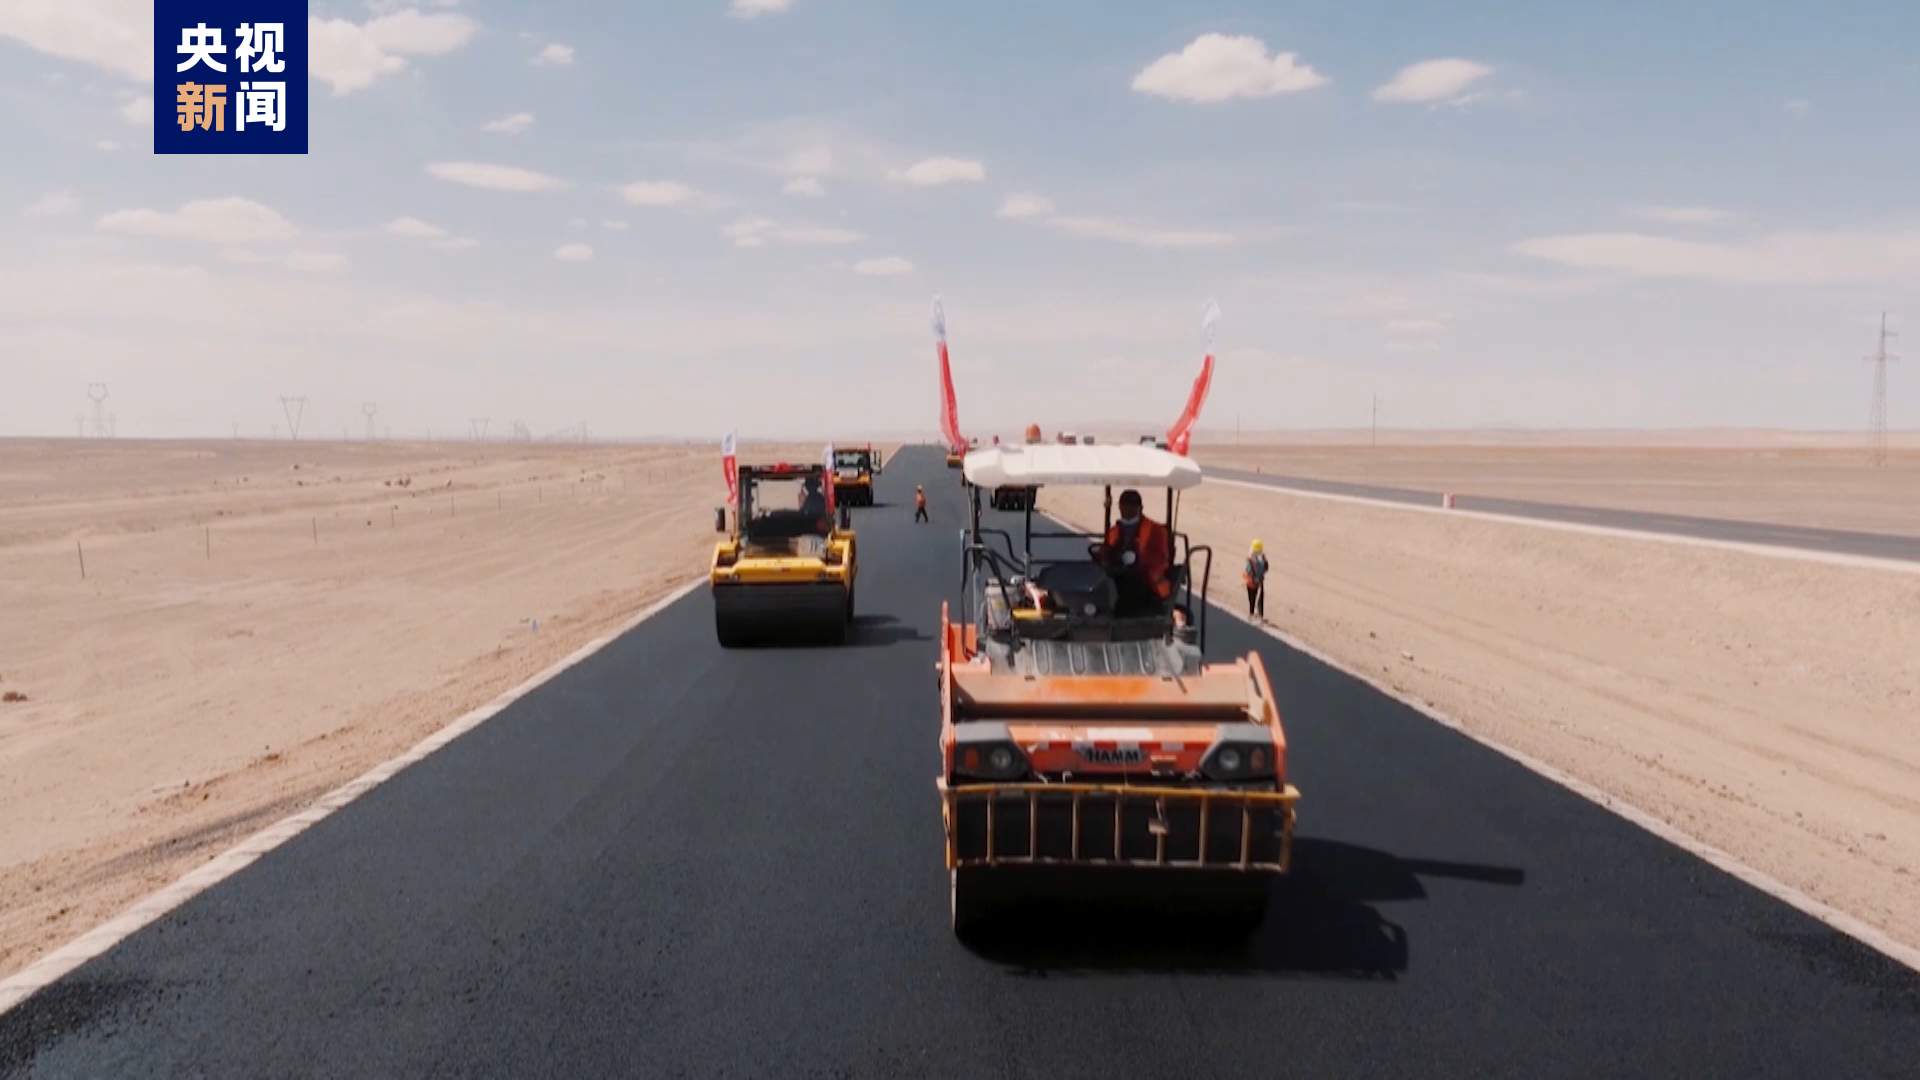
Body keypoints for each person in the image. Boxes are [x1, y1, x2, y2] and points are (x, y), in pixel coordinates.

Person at [1098, 488, 1171, 615]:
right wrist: (1105, 559)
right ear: (1119, 506)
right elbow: (1106, 551)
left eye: (1132, 505)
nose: (1127, 509)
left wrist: (1137, 562)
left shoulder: (1156, 530)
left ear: (1140, 508)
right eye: (1124, 505)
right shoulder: (1114, 530)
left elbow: (1161, 559)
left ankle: (1121, 616)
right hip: (1117, 573)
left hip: (1146, 580)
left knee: (1130, 583)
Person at [1243, 538, 1269, 620]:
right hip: (1258, 582)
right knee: (1257, 596)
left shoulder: (1250, 559)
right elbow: (1266, 569)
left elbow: (1248, 570)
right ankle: (1258, 614)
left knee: (1251, 597)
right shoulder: (1263, 559)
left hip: (1250, 582)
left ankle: (1251, 613)